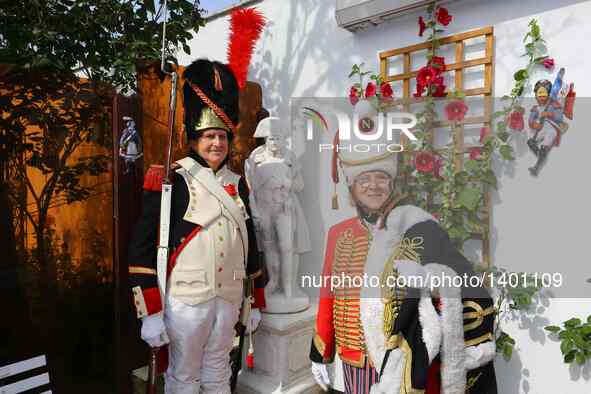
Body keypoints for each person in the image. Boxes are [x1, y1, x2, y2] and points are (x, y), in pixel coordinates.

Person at [309, 100, 497, 394]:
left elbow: (454, 281)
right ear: (352, 186)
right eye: (364, 179)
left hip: (398, 363)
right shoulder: (338, 234)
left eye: (381, 177)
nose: (373, 186)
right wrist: (319, 351)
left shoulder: (418, 227)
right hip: (349, 361)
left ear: (392, 181)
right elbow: (327, 293)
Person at [128, 58, 265, 394]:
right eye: (208, 136)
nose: (216, 143)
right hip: (187, 300)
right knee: (184, 377)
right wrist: (150, 312)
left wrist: (255, 300)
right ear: (193, 138)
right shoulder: (171, 179)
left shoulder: (238, 183)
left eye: (222, 136)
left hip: (229, 297)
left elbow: (249, 245)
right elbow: (143, 248)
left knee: (219, 372)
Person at [245, 116, 311, 313]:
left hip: (284, 206)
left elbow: (300, 184)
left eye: (280, 138)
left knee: (287, 245)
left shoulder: (290, 157)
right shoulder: (255, 158)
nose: (275, 142)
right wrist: (254, 210)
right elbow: (250, 189)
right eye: (272, 138)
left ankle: (289, 286)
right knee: (269, 246)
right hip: (265, 207)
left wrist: (287, 183)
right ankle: (273, 282)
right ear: (266, 139)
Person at [527, 70, 569, 176]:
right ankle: (541, 155)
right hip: (541, 129)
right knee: (531, 142)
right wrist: (533, 124)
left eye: (544, 93)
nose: (541, 96)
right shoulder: (536, 108)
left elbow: (559, 118)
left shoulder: (553, 104)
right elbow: (531, 120)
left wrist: (549, 114)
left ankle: (536, 166)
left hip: (552, 129)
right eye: (539, 94)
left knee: (544, 146)